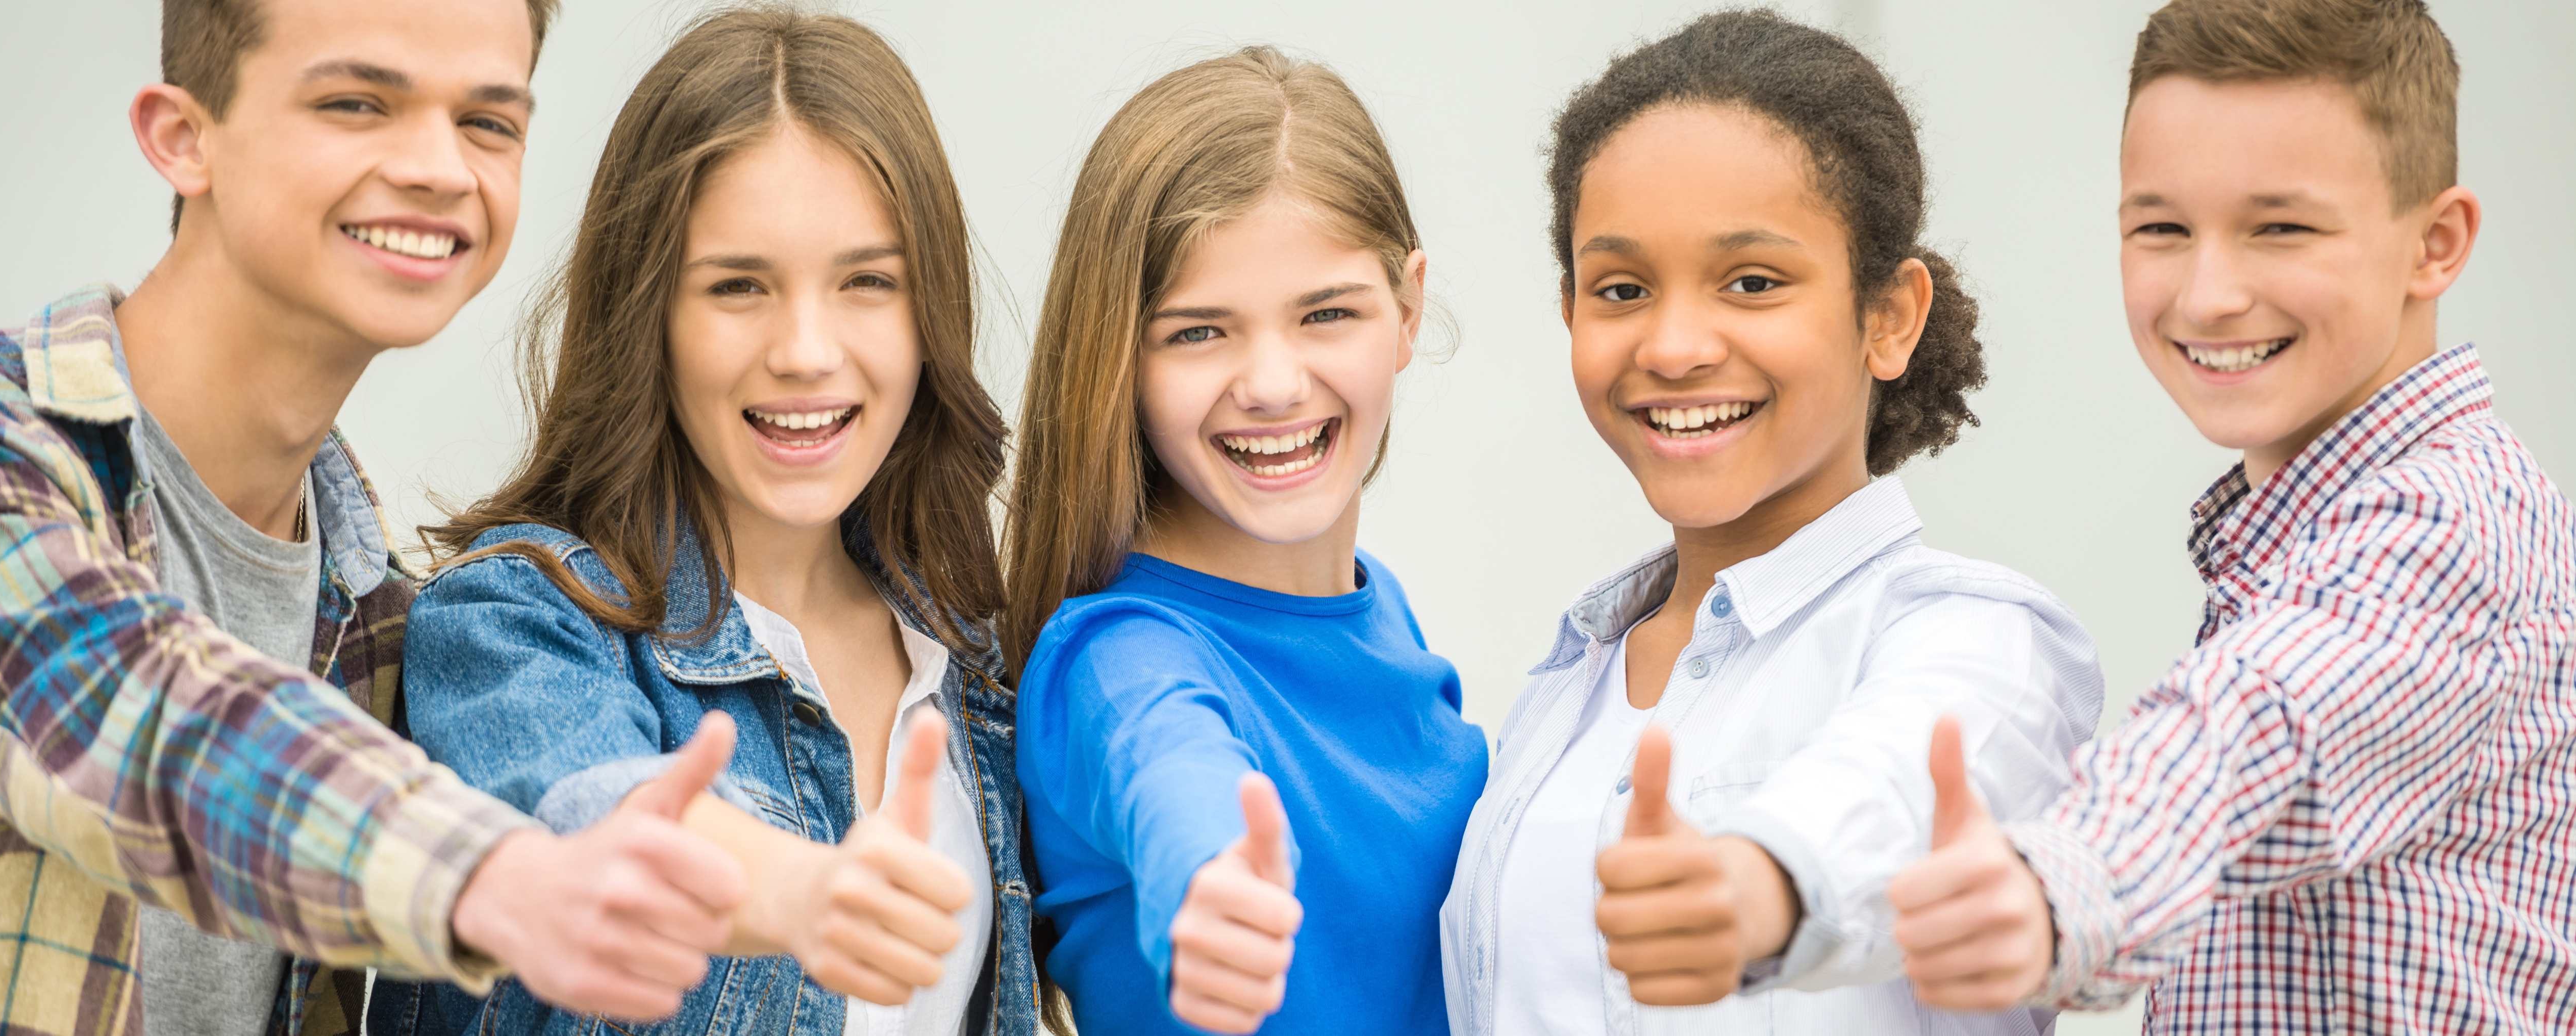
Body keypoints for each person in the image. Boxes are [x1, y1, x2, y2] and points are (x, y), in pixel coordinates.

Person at [0, 1, 753, 1033]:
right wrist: (496, 877)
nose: (438, 167)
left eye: (488, 122)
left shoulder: (376, 617)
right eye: (357, 102)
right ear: (182, 138)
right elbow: (141, 720)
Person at [1890, 1, 2576, 1031]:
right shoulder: (2296, 531)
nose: (2208, 294)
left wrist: (2052, 881)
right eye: (2161, 227)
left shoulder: (2445, 524)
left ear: (2434, 244)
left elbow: (2257, 729)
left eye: (2280, 227)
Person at [374, 8, 1038, 1034]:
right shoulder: (513, 625)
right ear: (650, 317)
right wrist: (790, 891)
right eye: (738, 286)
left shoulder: (974, 660)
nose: (807, 351)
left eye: (867, 281)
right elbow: (596, 819)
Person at [1436, 11, 2101, 1035]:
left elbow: (1892, 795)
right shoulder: (1560, 693)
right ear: (1570, 311)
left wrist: (1757, 887)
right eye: (1622, 288)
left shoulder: (1976, 642)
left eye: (1751, 281)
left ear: (1888, 317)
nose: (1674, 344)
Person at [1005, 46, 1488, 1036]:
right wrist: (1214, 881)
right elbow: (1176, 773)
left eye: (1326, 314)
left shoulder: (1375, 607)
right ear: (1118, 358)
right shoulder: (1118, 656)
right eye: (1198, 332)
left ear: (1406, 309)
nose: (1272, 382)